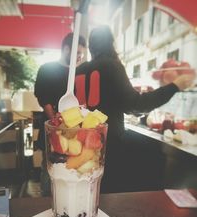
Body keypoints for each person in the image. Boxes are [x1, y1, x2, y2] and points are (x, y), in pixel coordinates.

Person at [75, 25, 196, 193]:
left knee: (84, 192)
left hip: (81, 145)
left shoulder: (79, 70)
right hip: (108, 148)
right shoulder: (112, 66)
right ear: (111, 43)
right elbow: (136, 105)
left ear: (91, 46)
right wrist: (175, 86)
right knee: (106, 197)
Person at [34, 32, 86, 196]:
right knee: (49, 168)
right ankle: (46, 203)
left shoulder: (81, 73)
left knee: (72, 171)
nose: (79, 57)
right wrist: (57, 123)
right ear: (66, 49)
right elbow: (44, 99)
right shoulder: (47, 69)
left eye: (81, 54)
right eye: (77, 53)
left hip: (76, 134)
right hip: (52, 131)